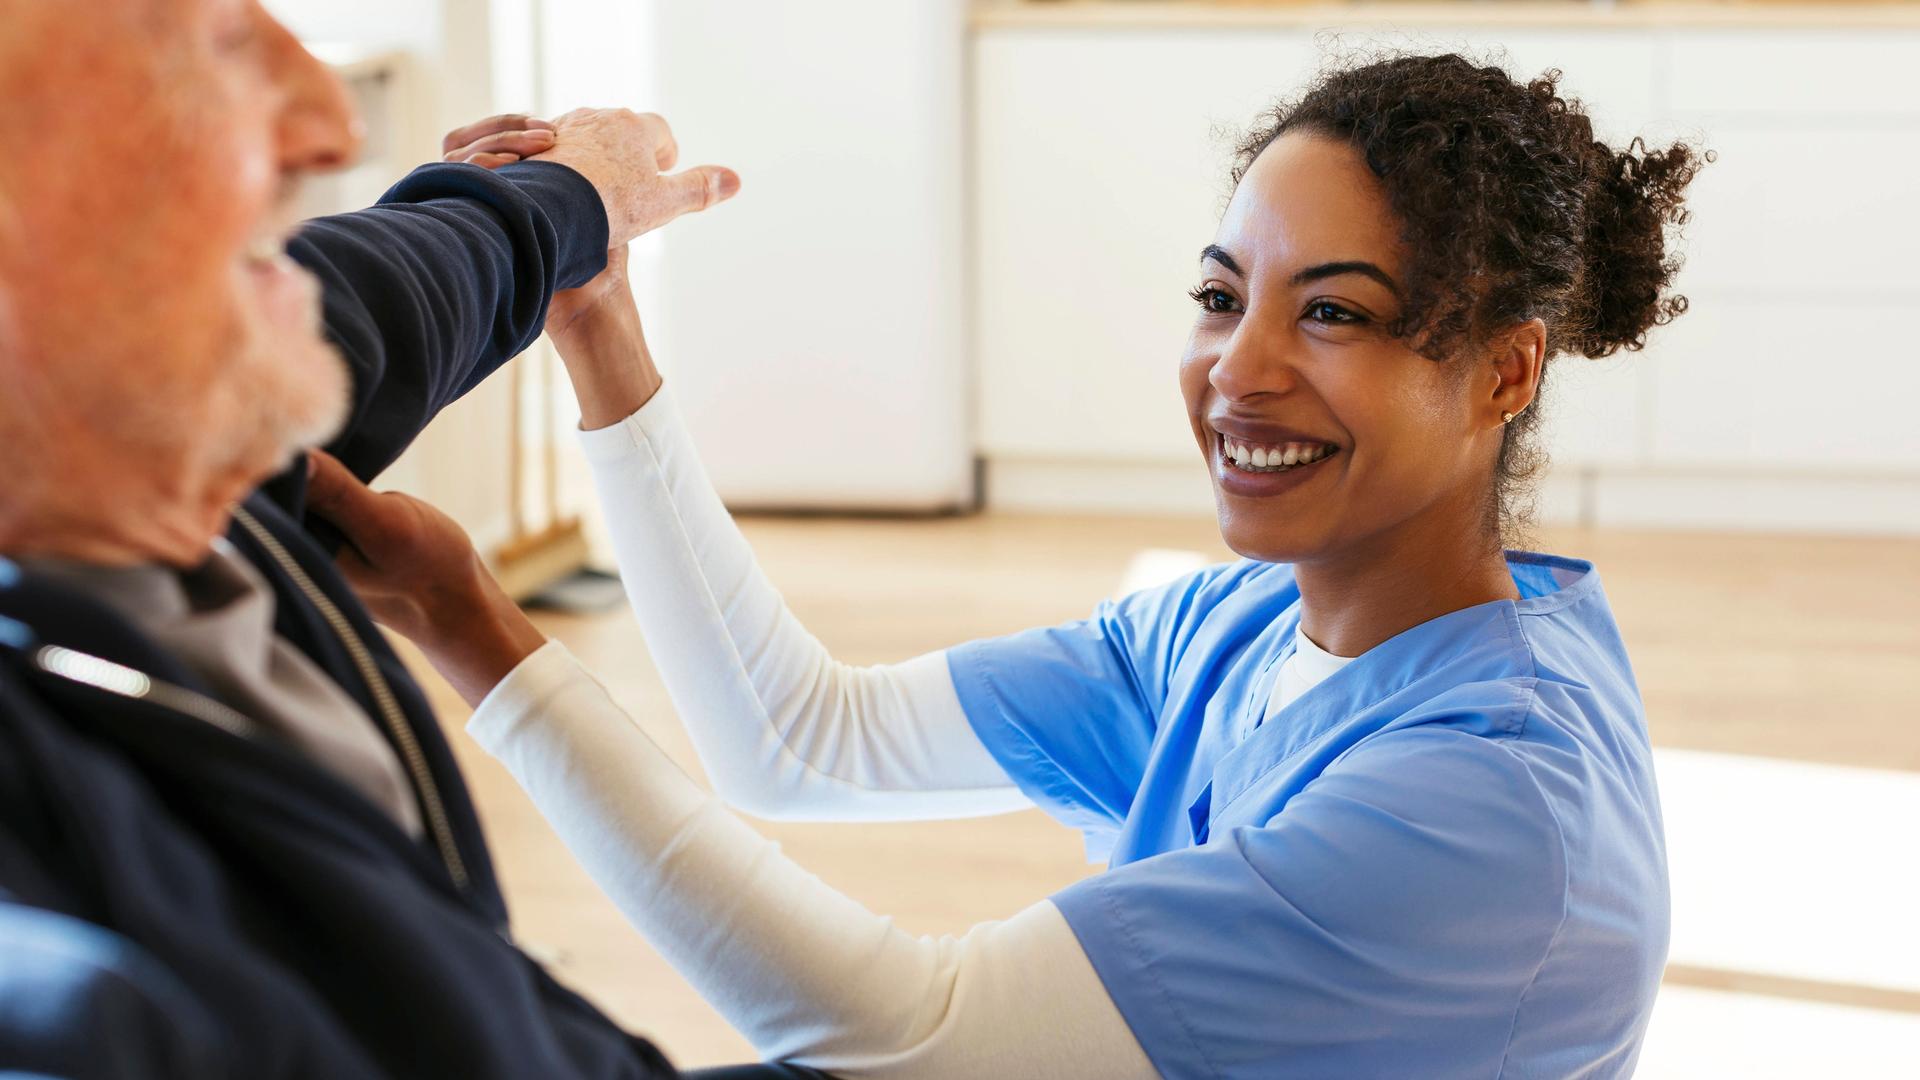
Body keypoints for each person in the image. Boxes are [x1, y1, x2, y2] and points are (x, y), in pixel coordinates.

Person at [312, 54, 1703, 1078]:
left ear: (1503, 372)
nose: (1241, 370)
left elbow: (914, 1036)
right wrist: (602, 328)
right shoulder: (1241, 626)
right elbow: (799, 738)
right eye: (1222, 298)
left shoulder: (1486, 810)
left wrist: (467, 622)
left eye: (1334, 312)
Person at [0, 1, 827, 1076]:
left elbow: (420, 278)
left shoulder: (154, 436)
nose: (331, 120)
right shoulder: (76, 984)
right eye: (178, 34)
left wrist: (574, 198)